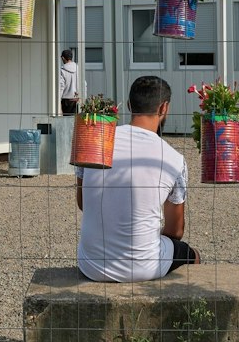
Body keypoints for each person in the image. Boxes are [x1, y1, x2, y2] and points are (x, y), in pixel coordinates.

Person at [74, 75, 199, 281]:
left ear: (130, 105)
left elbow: (84, 203)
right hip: (144, 267)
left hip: (91, 264)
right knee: (191, 255)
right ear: (164, 108)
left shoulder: (96, 143)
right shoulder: (174, 159)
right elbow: (175, 231)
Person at [57, 49, 79, 116]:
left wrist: (58, 102)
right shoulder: (78, 68)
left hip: (66, 101)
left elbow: (61, 86)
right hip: (77, 99)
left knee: (66, 122)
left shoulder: (62, 70)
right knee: (76, 122)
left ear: (63, 58)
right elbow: (84, 84)